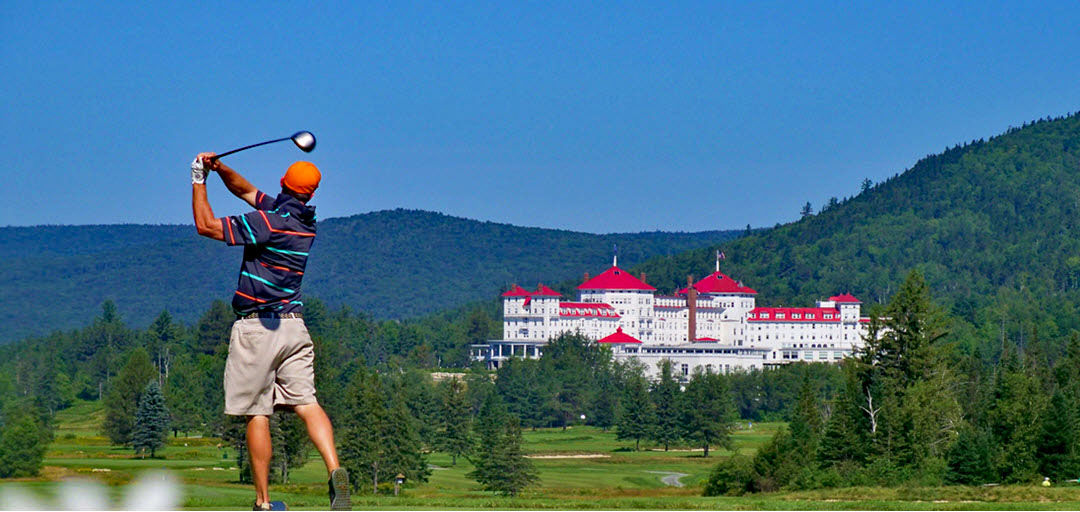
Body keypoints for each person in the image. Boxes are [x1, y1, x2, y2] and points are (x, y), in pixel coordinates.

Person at [191, 154, 350, 511]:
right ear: (309, 194)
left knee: (257, 412)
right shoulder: (303, 221)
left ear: (282, 181)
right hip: (294, 327)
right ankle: (336, 472)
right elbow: (245, 190)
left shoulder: (268, 223)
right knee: (307, 403)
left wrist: (198, 179)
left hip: (258, 327)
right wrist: (220, 170)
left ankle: (263, 502)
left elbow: (206, 225)